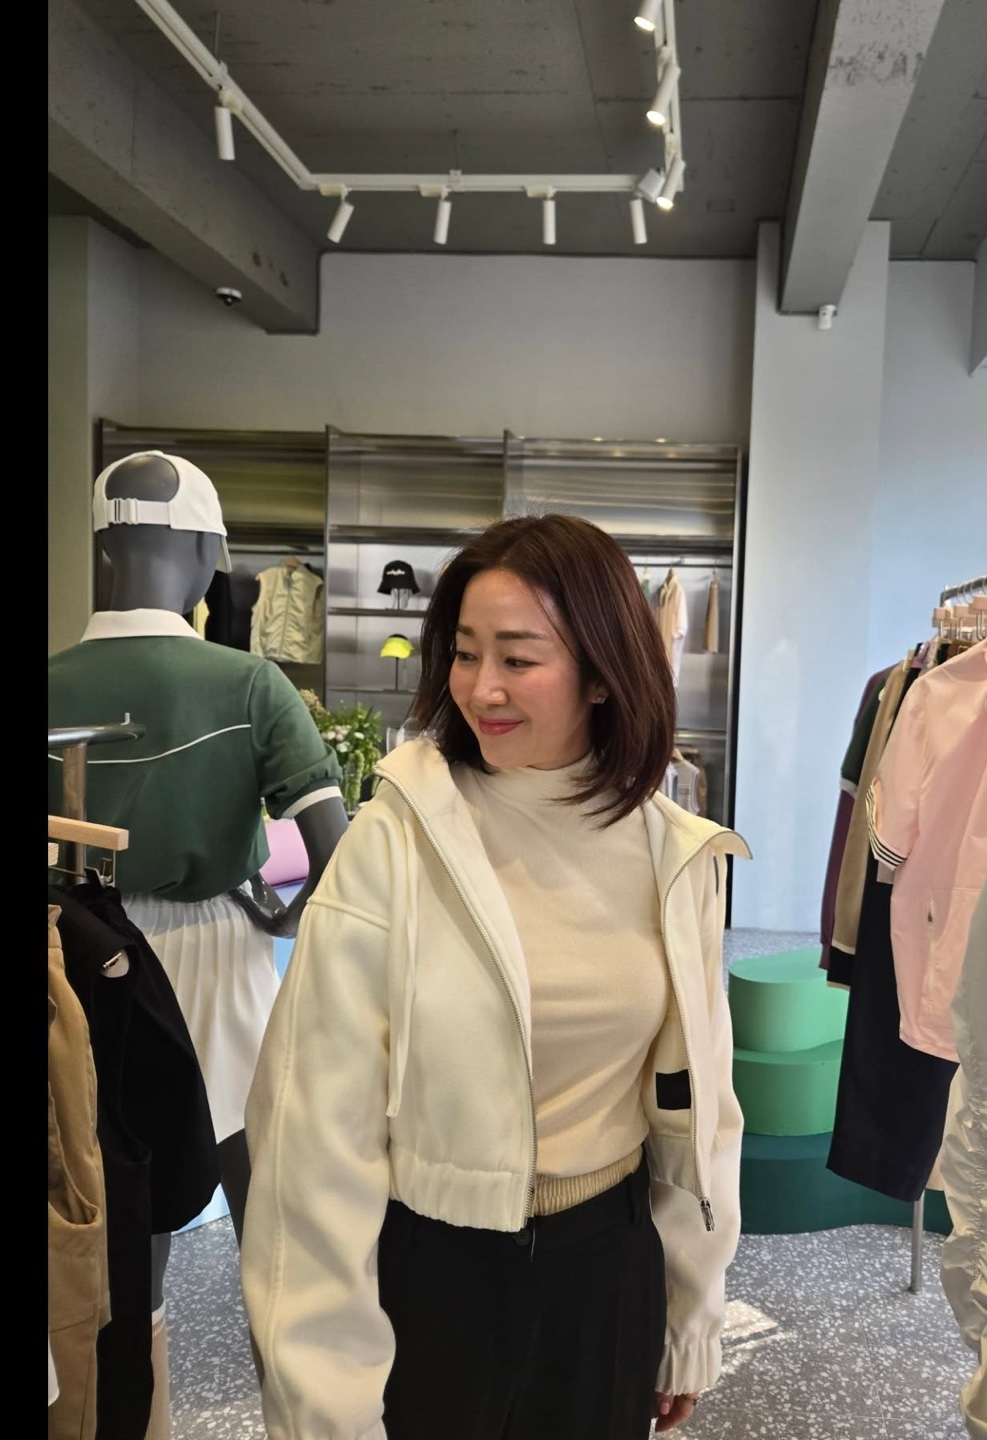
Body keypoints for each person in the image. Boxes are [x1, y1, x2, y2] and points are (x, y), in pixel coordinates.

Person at [241, 513, 751, 1440]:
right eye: (465, 653)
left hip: (606, 1271)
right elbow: (312, 1136)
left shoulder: (672, 850)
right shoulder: (395, 841)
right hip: (434, 1276)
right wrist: (322, 1400)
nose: (481, 688)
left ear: (602, 672)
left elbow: (698, 1107)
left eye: (518, 658)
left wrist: (689, 1314)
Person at [48, 450, 348, 1434]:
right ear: (210, 552)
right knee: (276, 1222)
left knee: (125, 1221)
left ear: (106, 549)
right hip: (221, 960)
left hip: (80, 967)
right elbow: (334, 856)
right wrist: (283, 913)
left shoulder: (51, 683)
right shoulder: (251, 683)